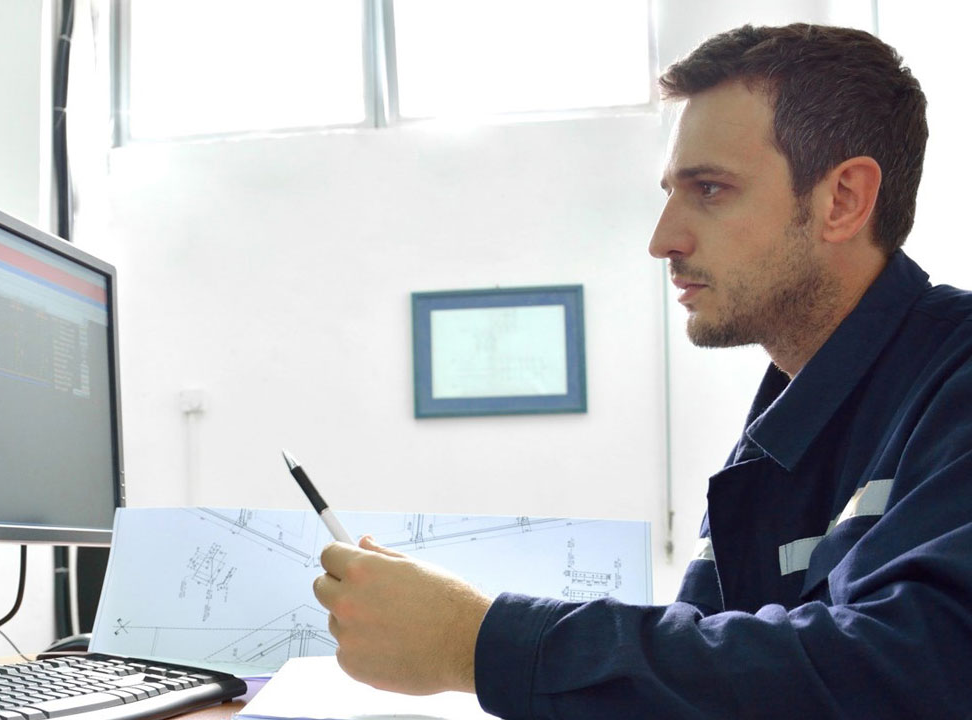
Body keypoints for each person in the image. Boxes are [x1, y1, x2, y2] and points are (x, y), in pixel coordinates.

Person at [313, 23, 972, 718]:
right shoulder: (780, 438)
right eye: (671, 192)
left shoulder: (953, 383)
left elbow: (914, 669)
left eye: (711, 189)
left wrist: (478, 642)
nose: (664, 240)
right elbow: (710, 678)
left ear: (842, 200)